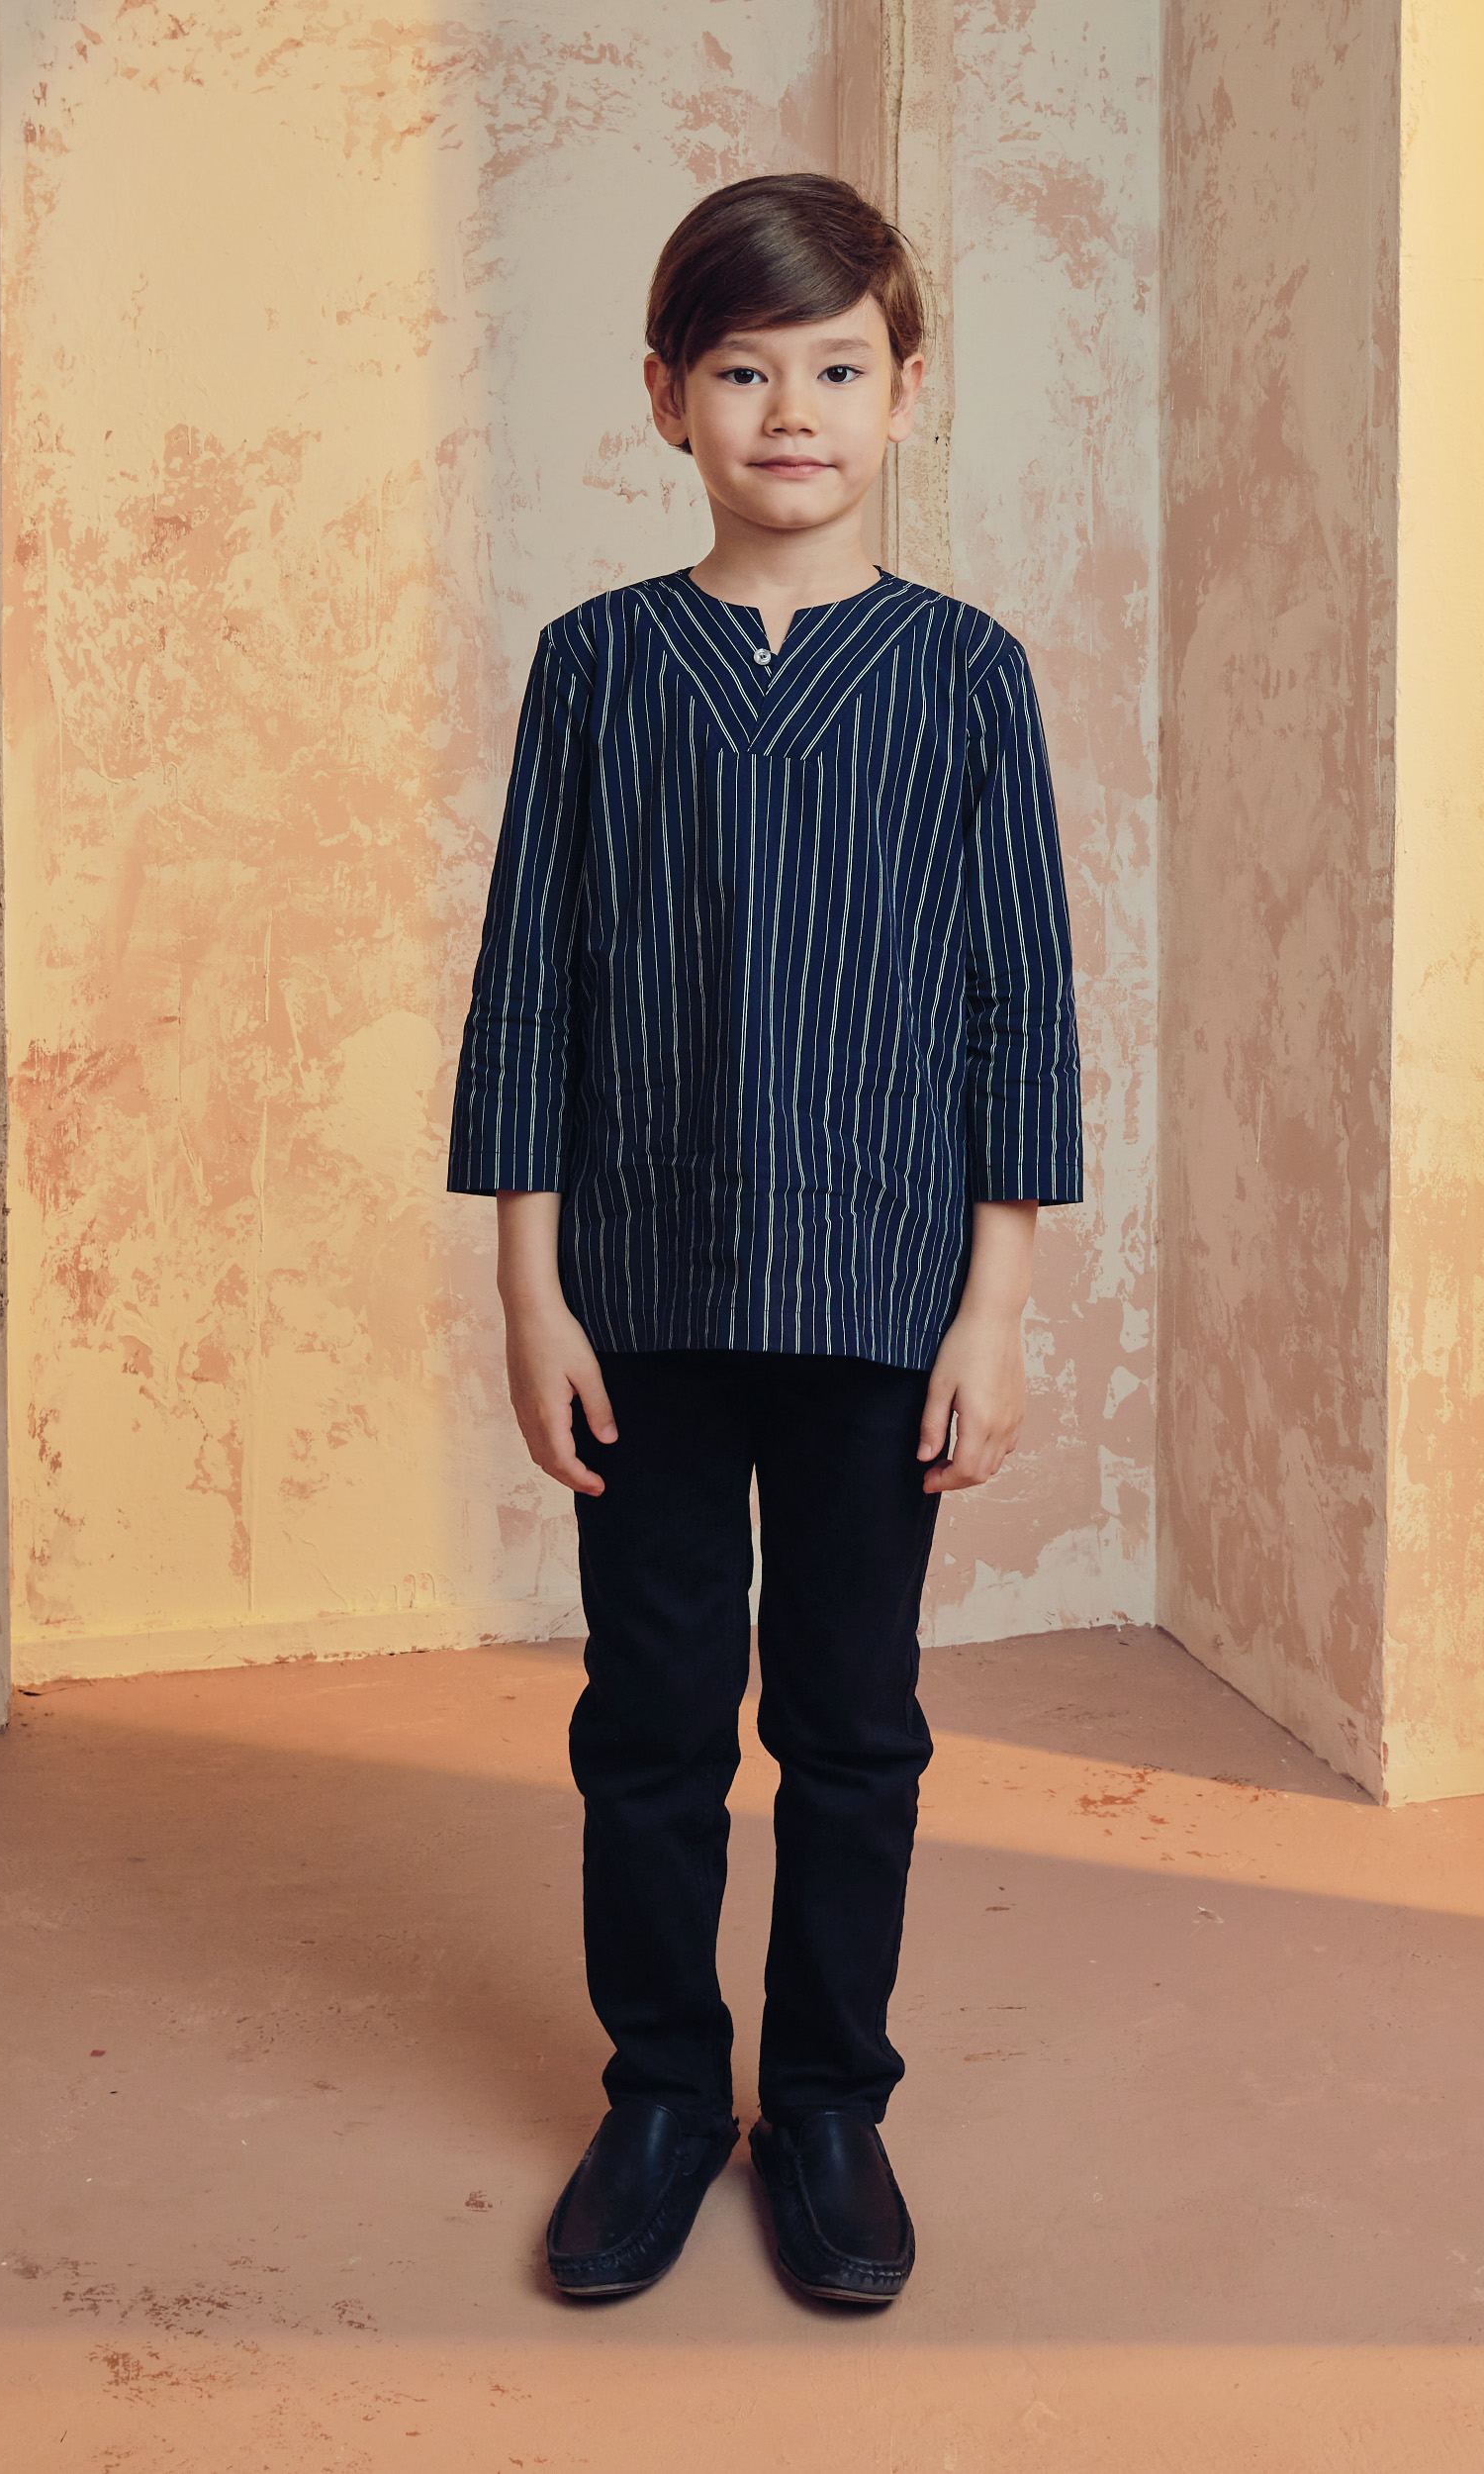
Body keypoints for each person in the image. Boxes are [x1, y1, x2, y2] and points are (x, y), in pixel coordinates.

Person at [446, 171, 1082, 2307]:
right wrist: (529, 1289)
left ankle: (825, 2105)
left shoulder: (968, 675)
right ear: (665, 398)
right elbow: (529, 988)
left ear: (906, 391)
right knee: (648, 1716)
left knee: (852, 1720)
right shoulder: (599, 667)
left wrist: (995, 1307)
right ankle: (656, 2091)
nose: (789, 410)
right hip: (639, 1290)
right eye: (741, 369)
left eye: (834, 367)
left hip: (883, 1299)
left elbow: (1019, 1003)